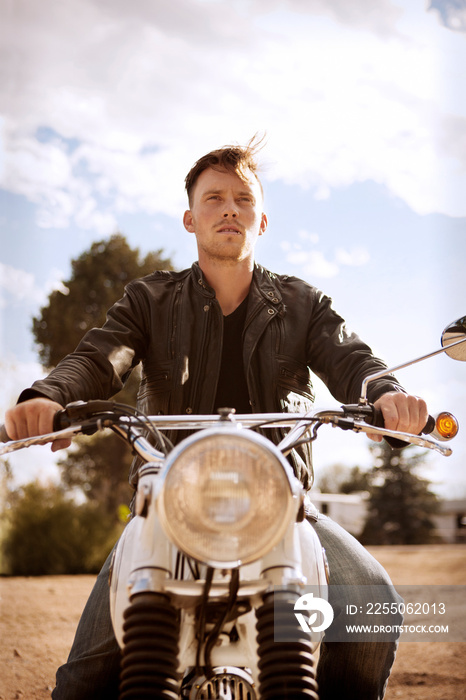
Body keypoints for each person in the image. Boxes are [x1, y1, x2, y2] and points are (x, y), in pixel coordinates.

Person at [5, 140, 428, 700]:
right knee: (85, 679)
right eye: (214, 198)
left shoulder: (305, 303)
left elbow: (351, 358)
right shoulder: (149, 299)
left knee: (373, 605)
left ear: (262, 218)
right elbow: (100, 356)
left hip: (281, 504)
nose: (229, 208)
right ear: (191, 217)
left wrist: (386, 392)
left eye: (242, 199)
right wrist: (51, 395)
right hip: (168, 503)